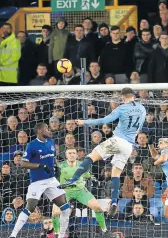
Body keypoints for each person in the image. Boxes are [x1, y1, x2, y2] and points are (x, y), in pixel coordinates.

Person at [59, 88, 146, 216]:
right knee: (115, 174)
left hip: (118, 140)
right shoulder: (142, 109)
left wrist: (84, 122)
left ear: (123, 97)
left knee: (90, 157)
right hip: (129, 145)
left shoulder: (122, 108)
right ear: (134, 96)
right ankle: (115, 201)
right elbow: (139, 127)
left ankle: (74, 179)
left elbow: (104, 121)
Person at [7, 122, 71, 238]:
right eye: (46, 128)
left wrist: (57, 167)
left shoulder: (51, 143)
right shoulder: (32, 145)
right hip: (37, 181)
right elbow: (23, 163)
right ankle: (12, 236)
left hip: (51, 180)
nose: (49, 130)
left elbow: (53, 158)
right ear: (39, 131)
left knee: (65, 208)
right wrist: (40, 165)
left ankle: (62, 237)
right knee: (30, 207)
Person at [54, 148, 117, 238]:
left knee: (97, 207)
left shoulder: (82, 165)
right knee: (55, 213)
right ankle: (57, 233)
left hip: (80, 191)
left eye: (73, 153)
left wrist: (92, 177)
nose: (72, 155)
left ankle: (105, 231)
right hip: (65, 192)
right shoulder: (60, 166)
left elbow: (86, 174)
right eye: (69, 153)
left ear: (76, 155)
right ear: (66, 155)